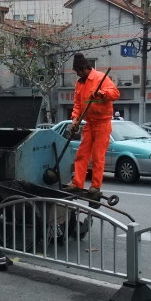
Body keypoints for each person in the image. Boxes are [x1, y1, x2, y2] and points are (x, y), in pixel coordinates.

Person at [65, 53, 121, 197]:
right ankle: (77, 183)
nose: (76, 74)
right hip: (89, 123)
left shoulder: (100, 78)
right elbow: (77, 104)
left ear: (84, 68)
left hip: (102, 123)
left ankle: (95, 186)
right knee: (82, 154)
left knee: (98, 156)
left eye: (77, 71)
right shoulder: (79, 83)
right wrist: (75, 120)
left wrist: (102, 94)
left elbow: (115, 93)